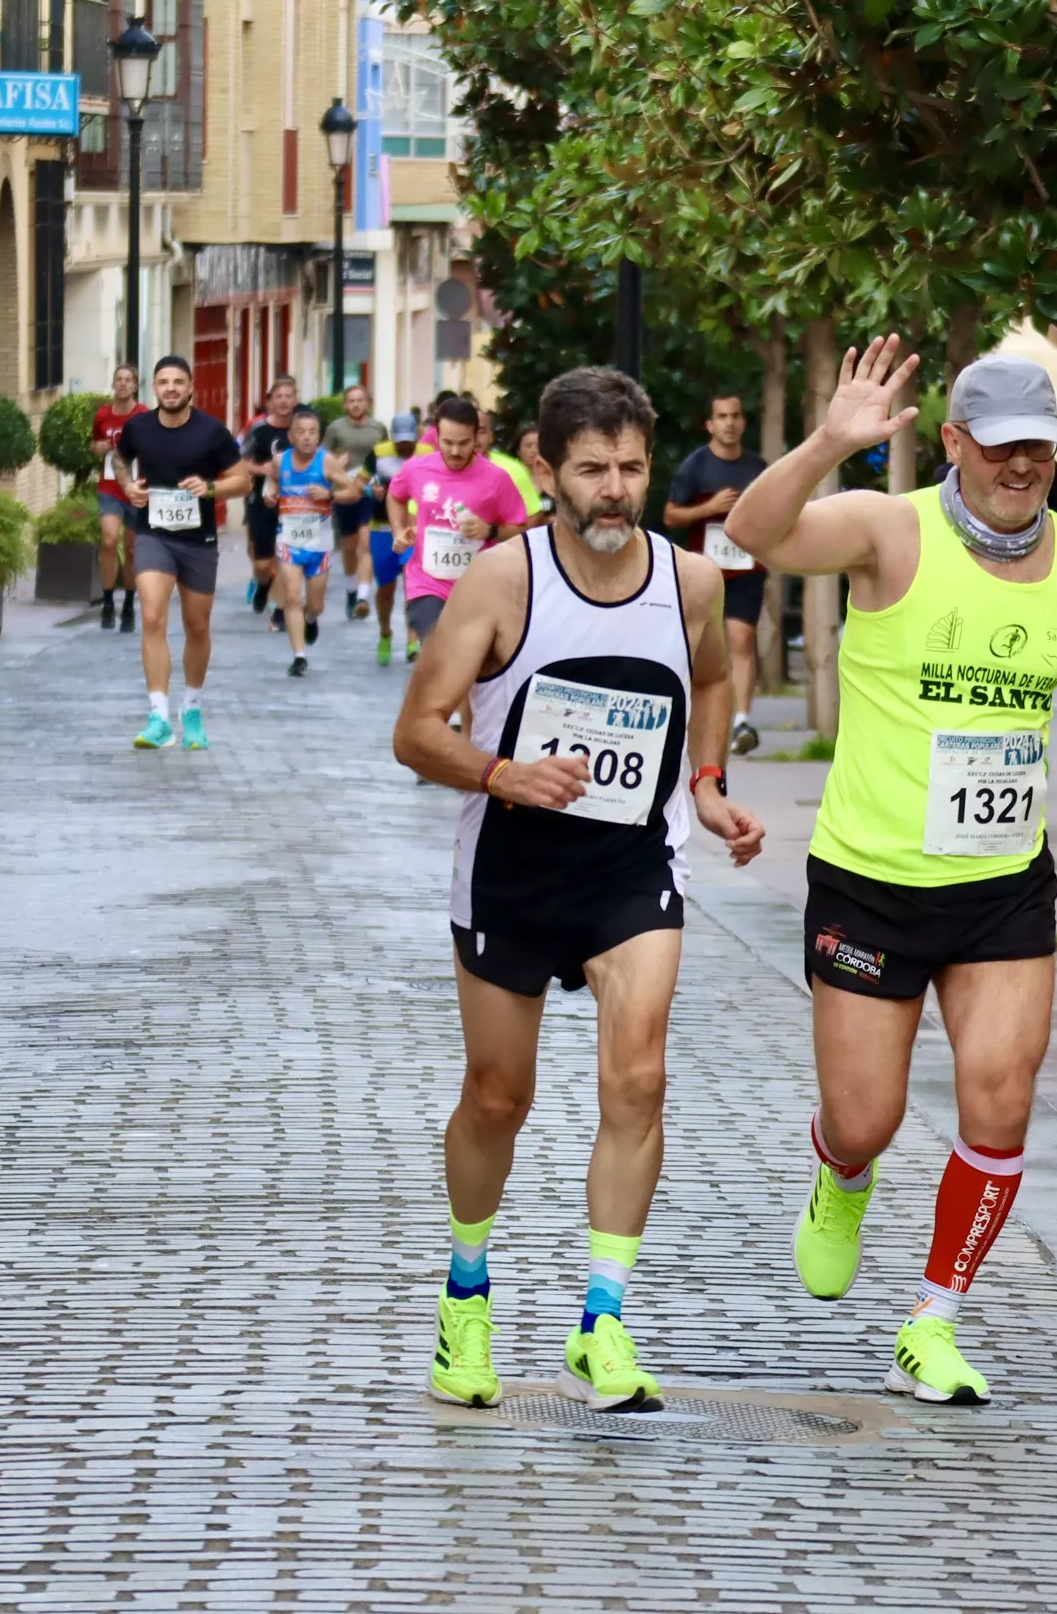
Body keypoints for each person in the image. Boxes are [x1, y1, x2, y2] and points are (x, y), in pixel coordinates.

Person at [726, 341, 1057, 1405]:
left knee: (1000, 1099)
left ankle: (932, 1316)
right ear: (953, 442)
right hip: (870, 878)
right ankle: (839, 1170)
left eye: (1037, 447)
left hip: (999, 886)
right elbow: (750, 534)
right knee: (869, 1117)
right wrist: (828, 442)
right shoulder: (887, 530)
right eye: (999, 448)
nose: (1021, 467)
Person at [392, 365, 766, 1412]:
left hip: (630, 866)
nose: (616, 489)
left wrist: (707, 783)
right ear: (546, 469)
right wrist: (502, 771)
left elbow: (714, 675)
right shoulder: (503, 582)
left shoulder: (689, 580)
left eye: (633, 468)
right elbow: (416, 731)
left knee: (637, 1077)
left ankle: (602, 1318)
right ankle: (467, 1292)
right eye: (594, 469)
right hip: (511, 869)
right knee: (496, 1097)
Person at [117, 356, 254, 751]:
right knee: (153, 615)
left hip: (197, 541)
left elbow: (243, 480)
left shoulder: (211, 432)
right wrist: (127, 486)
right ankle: (158, 716)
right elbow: (119, 459)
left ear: (191, 387)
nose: (171, 388)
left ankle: (190, 707)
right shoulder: (138, 427)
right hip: (153, 535)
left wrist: (210, 489)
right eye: (163, 382)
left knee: (197, 625)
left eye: (178, 381)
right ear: (154, 388)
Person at [662, 392, 772, 755]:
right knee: (700, 643)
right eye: (721, 416)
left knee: (740, 639)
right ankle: (692, 714)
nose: (729, 422)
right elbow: (670, 516)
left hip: (745, 568)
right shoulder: (695, 466)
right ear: (710, 424)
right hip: (704, 571)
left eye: (735, 415)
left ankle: (742, 720)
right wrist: (708, 507)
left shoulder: (757, 467)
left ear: (743, 422)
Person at [390, 396, 528, 662]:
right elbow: (395, 495)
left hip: (477, 587)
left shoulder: (496, 479)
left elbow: (520, 527)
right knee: (438, 652)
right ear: (435, 436)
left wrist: (490, 531)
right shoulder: (417, 469)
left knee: (471, 662)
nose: (455, 451)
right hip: (426, 583)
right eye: (448, 442)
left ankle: (459, 703)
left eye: (464, 443)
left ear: (477, 437)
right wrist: (398, 530)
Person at [270, 406, 349, 677]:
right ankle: (299, 656)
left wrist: (329, 495)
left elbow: (351, 490)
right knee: (292, 597)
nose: (307, 437)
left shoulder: (326, 461)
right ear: (291, 436)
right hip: (289, 540)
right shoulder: (281, 461)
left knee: (315, 604)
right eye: (301, 432)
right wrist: (270, 494)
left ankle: (312, 619)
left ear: (319, 437)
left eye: (312, 432)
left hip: (319, 543)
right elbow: (271, 484)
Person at [325, 383, 391, 622]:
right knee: (350, 546)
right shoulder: (335, 428)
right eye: (351, 400)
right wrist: (334, 464)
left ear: (368, 403)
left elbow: (387, 457)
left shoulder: (378, 428)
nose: (355, 404)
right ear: (345, 405)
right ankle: (352, 590)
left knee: (366, 543)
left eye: (360, 400)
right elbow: (322, 456)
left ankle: (363, 597)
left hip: (369, 493)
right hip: (344, 492)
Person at [363, 413, 423, 665]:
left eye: (409, 442)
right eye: (400, 442)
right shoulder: (378, 452)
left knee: (414, 585)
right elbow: (360, 483)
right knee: (386, 587)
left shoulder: (429, 452)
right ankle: (385, 633)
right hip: (382, 528)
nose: (405, 447)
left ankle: (413, 641)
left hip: (415, 528)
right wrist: (371, 490)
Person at [241, 375, 301, 626]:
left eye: (289, 396)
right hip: (261, 500)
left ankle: (280, 610)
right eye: (279, 397)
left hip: (295, 503)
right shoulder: (259, 429)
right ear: (270, 402)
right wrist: (262, 470)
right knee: (264, 563)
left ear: (295, 400)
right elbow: (239, 461)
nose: (284, 401)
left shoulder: (302, 429)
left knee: (285, 557)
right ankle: (263, 586)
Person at [90, 365, 146, 633]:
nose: (123, 384)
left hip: (136, 488)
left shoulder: (145, 416)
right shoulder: (103, 415)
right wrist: (98, 448)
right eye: (119, 380)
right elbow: (95, 443)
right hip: (110, 487)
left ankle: (128, 604)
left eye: (128, 380)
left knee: (133, 549)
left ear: (135, 386)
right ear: (113, 384)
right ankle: (108, 601)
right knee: (109, 540)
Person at [490, 419, 545, 520]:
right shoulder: (510, 477)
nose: (534, 450)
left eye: (538, 445)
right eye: (528, 446)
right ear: (518, 451)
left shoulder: (554, 477)